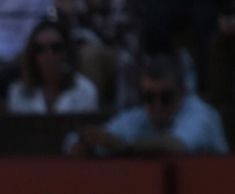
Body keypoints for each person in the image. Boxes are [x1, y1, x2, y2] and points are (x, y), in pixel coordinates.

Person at [67, 55, 229, 157]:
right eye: (149, 97)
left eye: (166, 97)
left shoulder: (200, 113)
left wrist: (125, 145)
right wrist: (86, 142)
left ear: (182, 94)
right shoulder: (139, 117)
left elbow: (179, 146)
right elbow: (74, 143)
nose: (157, 104)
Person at [52, 0, 134, 109]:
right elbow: (60, 36)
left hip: (120, 54)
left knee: (90, 54)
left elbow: (114, 34)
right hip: (75, 58)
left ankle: (91, 116)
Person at [6, 19, 99, 115]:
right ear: (32, 54)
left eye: (55, 47)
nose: (48, 55)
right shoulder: (17, 92)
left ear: (66, 51)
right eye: (40, 49)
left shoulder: (85, 91)